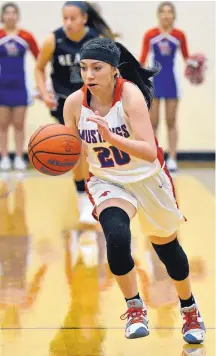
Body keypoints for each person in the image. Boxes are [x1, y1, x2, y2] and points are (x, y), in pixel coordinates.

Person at [63, 37, 205, 343]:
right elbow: (72, 152)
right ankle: (135, 306)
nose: (89, 74)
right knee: (116, 236)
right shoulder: (74, 104)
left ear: (114, 70)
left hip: (147, 177)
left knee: (167, 249)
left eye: (96, 68)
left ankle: (189, 308)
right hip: (108, 180)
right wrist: (55, 156)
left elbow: (149, 151)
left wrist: (112, 138)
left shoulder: (130, 95)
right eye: (84, 68)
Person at [35, 1, 117, 225]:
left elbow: (112, 68)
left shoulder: (97, 39)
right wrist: (44, 93)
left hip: (90, 100)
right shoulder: (53, 40)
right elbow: (39, 68)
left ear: (83, 19)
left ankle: (98, 192)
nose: (68, 23)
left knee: (91, 149)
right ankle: (84, 200)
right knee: (76, 148)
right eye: (65, 19)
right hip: (64, 102)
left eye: (73, 18)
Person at [139, 1, 190, 173]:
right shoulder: (150, 34)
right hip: (155, 81)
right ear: (159, 15)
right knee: (153, 122)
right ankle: (153, 156)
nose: (166, 15)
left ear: (173, 15)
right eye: (163, 12)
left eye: (170, 12)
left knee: (171, 121)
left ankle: (173, 157)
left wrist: (196, 65)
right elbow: (143, 58)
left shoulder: (179, 35)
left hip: (172, 81)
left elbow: (186, 57)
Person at [0, 2, 39, 171]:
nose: (10, 16)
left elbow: (40, 58)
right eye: (7, 13)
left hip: (20, 85)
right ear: (2, 16)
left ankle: (18, 156)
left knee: (19, 123)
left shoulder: (26, 36)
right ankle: (4, 158)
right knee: (2, 124)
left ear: (17, 16)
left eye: (13, 13)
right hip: (2, 85)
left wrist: (40, 84)